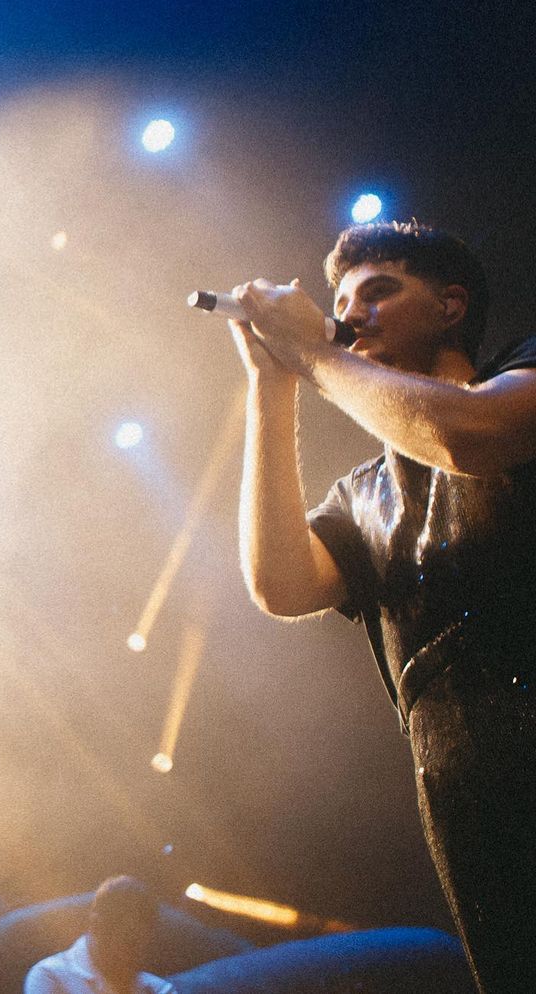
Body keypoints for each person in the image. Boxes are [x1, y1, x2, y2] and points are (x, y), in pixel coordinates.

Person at [228, 220, 536, 994]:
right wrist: (273, 383)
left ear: (450, 306)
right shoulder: (363, 495)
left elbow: (469, 437)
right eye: (340, 304)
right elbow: (280, 584)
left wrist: (313, 353)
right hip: (467, 797)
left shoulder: (518, 380)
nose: (352, 314)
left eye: (379, 292)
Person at [24, 877, 174, 994]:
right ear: (97, 926)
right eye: (129, 941)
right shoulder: (49, 976)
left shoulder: (159, 989)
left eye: (143, 943)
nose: (135, 954)